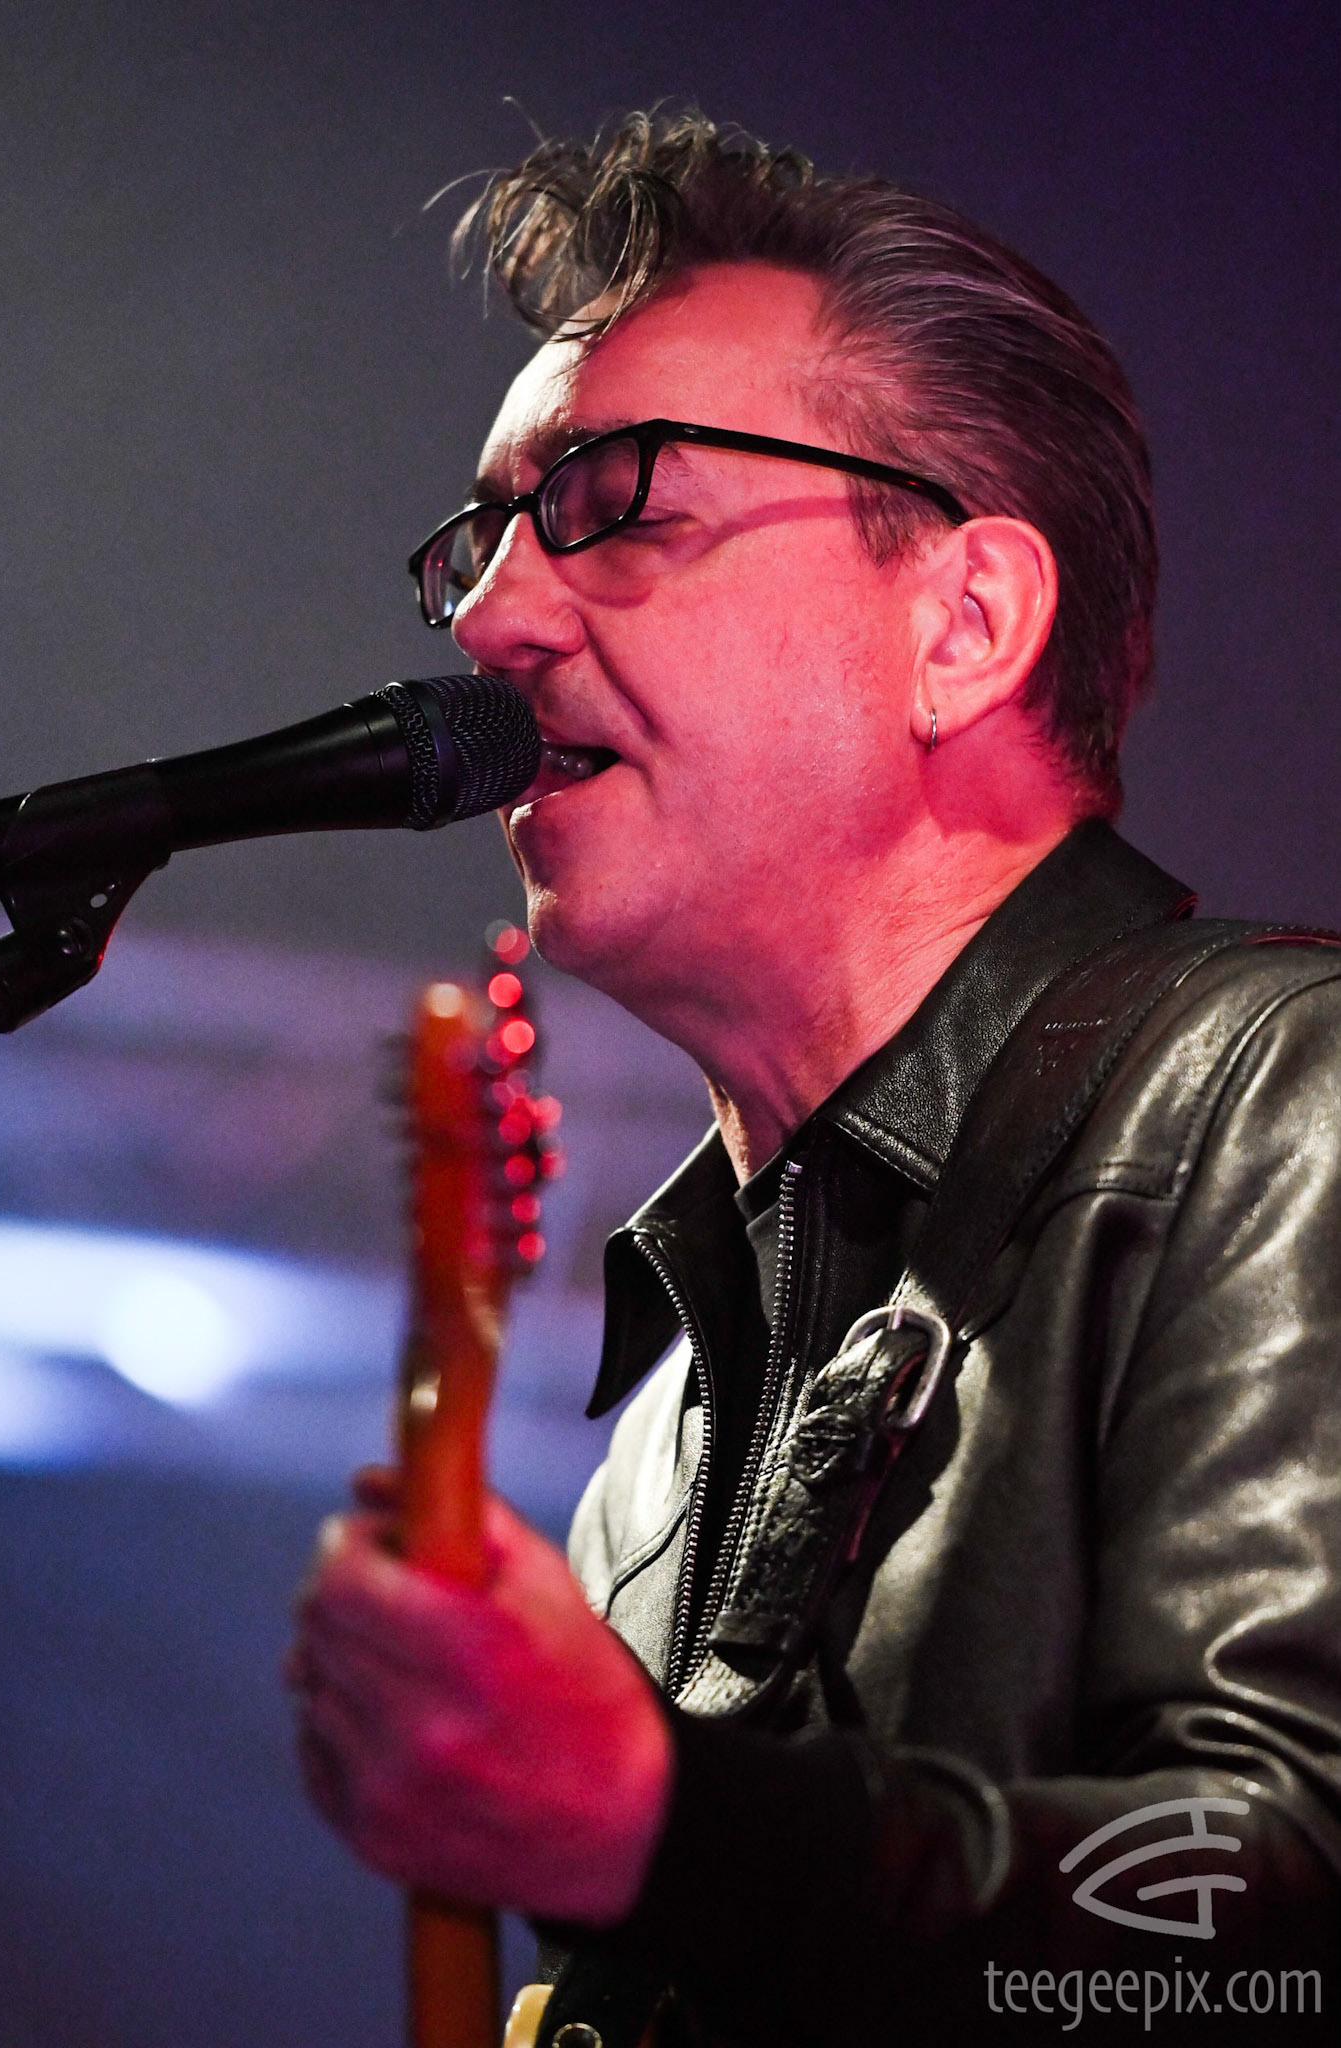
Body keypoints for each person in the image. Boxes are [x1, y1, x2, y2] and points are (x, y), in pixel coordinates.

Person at [288, 111, 1341, 2041]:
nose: (492, 617)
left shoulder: (1283, 1098)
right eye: (484, 538)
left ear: (965, 625)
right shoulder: (653, 1451)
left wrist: (668, 1829)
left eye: (616, 503)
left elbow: (1299, 1910)